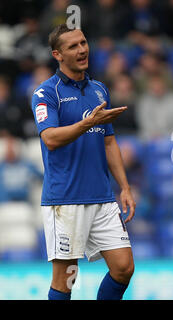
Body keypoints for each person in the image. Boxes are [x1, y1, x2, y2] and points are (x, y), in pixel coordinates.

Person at [30, 24, 136, 300]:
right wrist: (87, 123)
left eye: (84, 43)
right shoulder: (46, 93)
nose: (82, 50)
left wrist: (124, 187)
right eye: (73, 46)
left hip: (102, 196)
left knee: (123, 268)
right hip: (65, 200)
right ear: (57, 54)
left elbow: (109, 141)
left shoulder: (99, 90)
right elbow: (50, 138)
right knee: (67, 279)